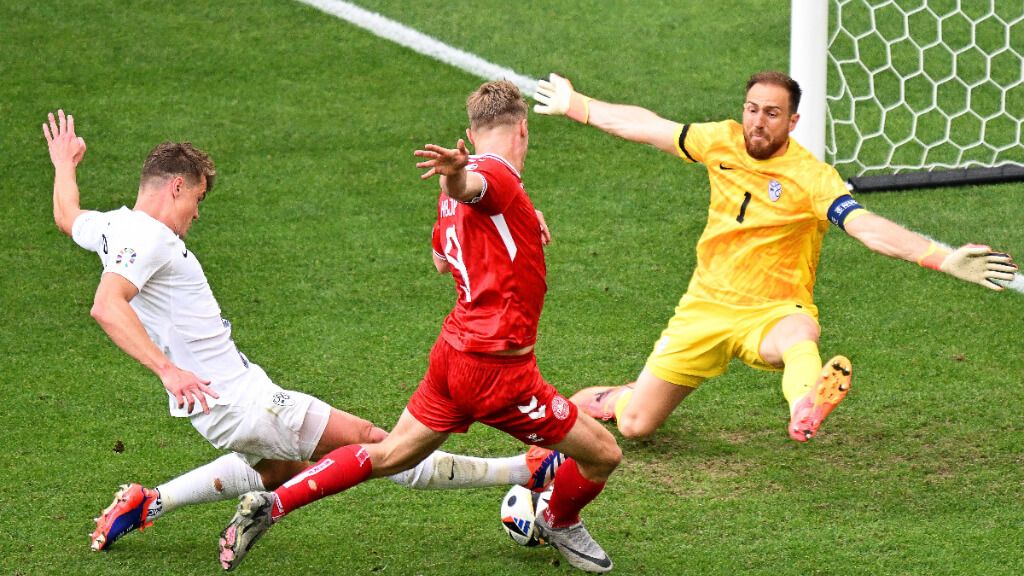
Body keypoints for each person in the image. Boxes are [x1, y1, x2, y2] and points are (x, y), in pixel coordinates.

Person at [42, 110, 564, 553]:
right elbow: (107, 306)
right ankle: (524, 469)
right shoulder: (150, 236)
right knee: (378, 445)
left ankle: (149, 502)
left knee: (279, 471)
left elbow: (68, 217)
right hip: (241, 400)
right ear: (175, 185)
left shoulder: (114, 226)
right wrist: (167, 368)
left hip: (213, 408)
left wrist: (64, 164)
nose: (196, 214)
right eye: (195, 200)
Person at [217, 80, 622, 574]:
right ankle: (558, 518)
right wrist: (460, 180)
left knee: (389, 454)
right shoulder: (490, 177)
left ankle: (274, 505)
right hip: (500, 373)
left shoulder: (474, 196)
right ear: (523, 127)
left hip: (453, 357)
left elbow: (440, 256)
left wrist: (515, 222)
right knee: (601, 454)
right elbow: (474, 187)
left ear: (469, 135)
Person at [532, 71, 1018, 443]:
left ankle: (806, 405)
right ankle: (618, 398)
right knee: (637, 425)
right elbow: (650, 127)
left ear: (792, 121)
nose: (757, 122)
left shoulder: (812, 177)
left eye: (770, 113)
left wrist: (940, 256)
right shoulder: (719, 141)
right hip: (704, 308)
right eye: (751, 109)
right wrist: (578, 104)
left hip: (772, 312)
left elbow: (866, 228)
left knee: (800, 334)